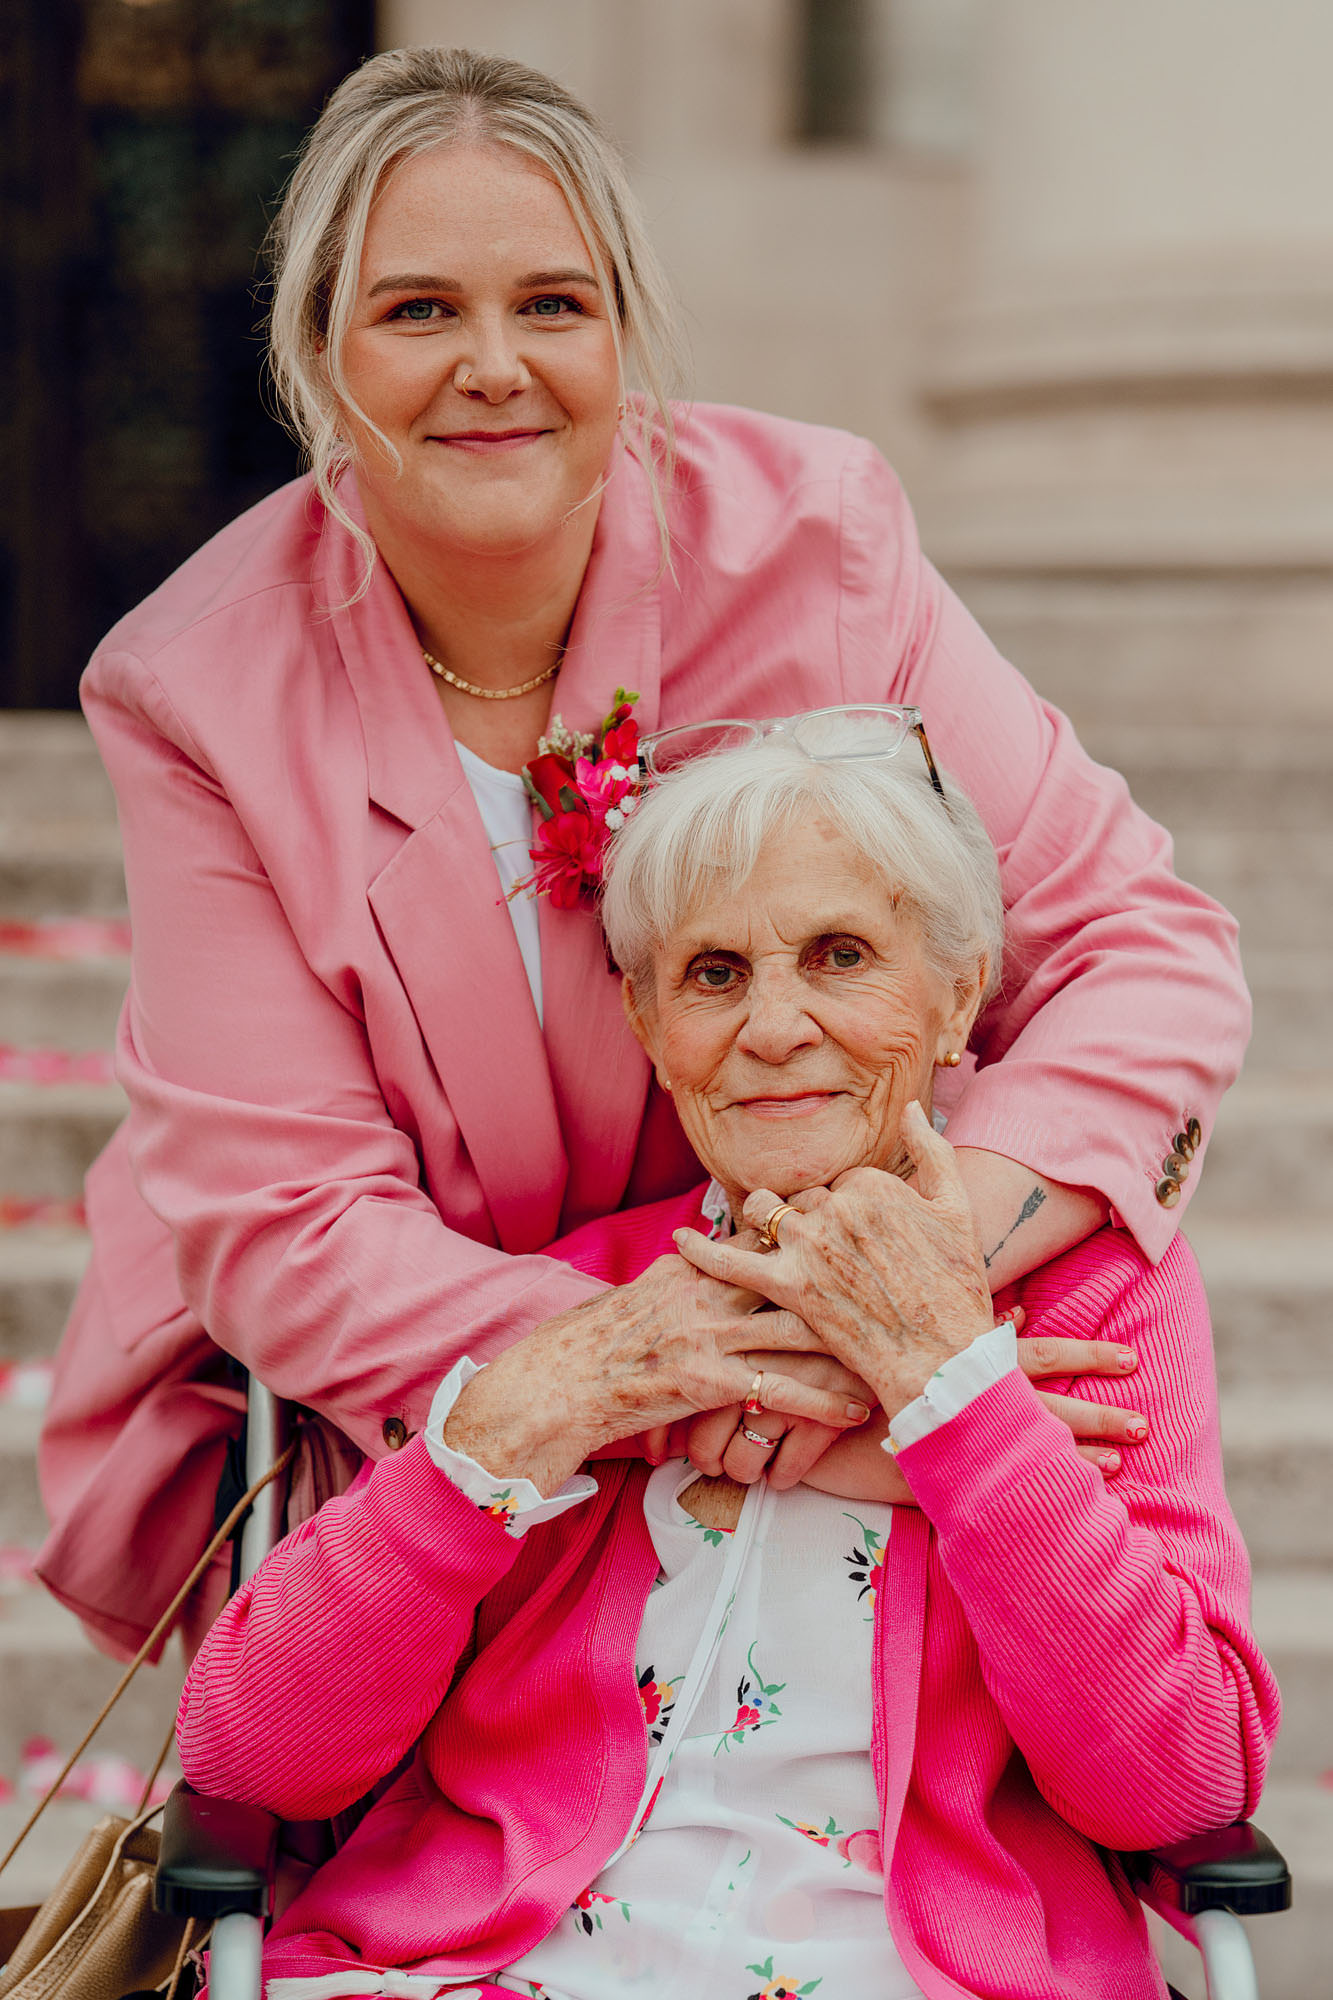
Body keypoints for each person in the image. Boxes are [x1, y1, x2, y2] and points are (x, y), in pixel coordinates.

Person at [36, 47, 1249, 1660]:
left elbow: (1138, 953)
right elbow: (295, 1230)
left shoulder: (816, 541)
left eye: (552, 303)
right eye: (416, 312)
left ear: (622, 335)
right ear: (317, 355)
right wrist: (750, 1384)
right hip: (460, 1436)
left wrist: (895, 1279)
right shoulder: (194, 691)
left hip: (869, 1403)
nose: (492, 366)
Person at [177, 732, 1278, 2000]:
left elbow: (1182, 1773)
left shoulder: (1097, 1297)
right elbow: (245, 1754)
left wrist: (955, 1395)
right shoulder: (600, 1303)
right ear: (650, 1024)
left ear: (958, 991)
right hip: (489, 1965)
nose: (771, 1027)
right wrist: (543, 1403)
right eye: (712, 973)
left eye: (840, 956)